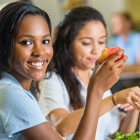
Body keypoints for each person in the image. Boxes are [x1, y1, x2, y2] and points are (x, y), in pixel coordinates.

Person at [0, 1, 131, 140]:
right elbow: (63, 127)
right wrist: (96, 90)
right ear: (3, 47)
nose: (40, 52)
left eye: (45, 41)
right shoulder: (12, 94)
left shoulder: (15, 90)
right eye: (26, 42)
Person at [37, 7, 140, 140]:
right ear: (67, 42)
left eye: (102, 42)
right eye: (86, 43)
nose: (96, 50)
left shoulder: (94, 76)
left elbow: (122, 132)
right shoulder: (51, 79)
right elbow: (63, 127)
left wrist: (135, 105)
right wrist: (114, 99)